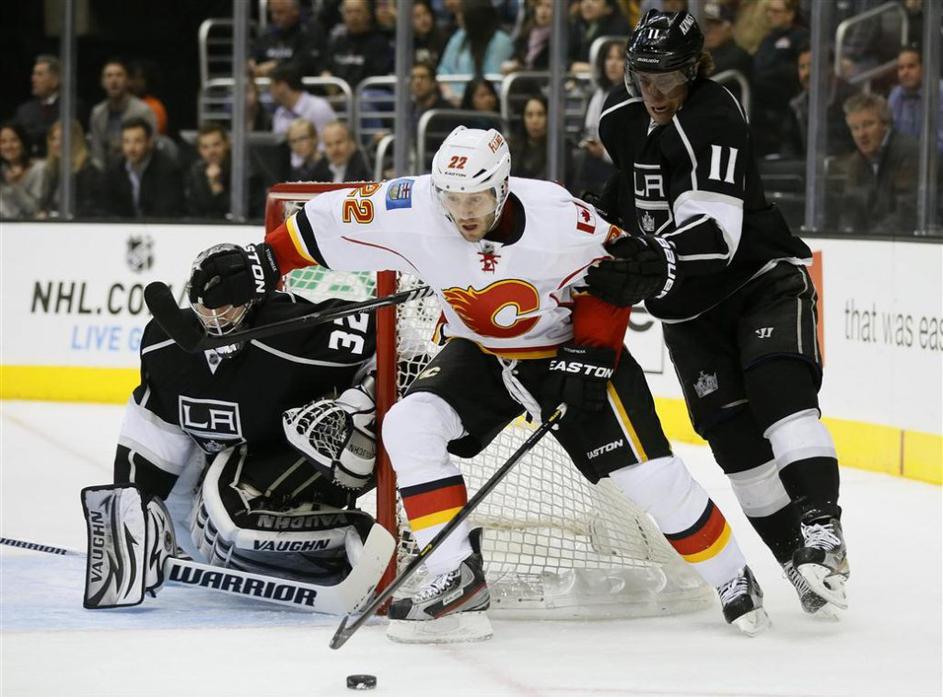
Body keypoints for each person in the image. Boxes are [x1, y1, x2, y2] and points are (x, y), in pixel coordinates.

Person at [187, 125, 775, 638]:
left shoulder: (558, 217)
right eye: (453, 199)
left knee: (650, 478)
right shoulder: (412, 206)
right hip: (483, 353)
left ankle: (732, 578)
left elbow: (619, 274)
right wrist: (262, 261)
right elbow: (325, 219)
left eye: (478, 198)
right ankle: (457, 575)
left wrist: (593, 352)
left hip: (567, 352)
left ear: (504, 186)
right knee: (409, 425)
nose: (464, 212)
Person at [588, 10, 849, 616]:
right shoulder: (619, 119)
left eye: (671, 80)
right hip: (688, 314)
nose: (656, 94)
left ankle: (821, 530)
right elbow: (622, 195)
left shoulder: (714, 113)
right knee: (734, 444)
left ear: (695, 71)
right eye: (644, 79)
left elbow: (718, 235)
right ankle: (796, 561)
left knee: (780, 400)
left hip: (759, 283)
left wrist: (650, 256)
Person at [112, 249, 379, 586]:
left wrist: (363, 399)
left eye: (225, 311)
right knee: (196, 531)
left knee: (226, 520)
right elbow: (153, 429)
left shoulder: (292, 332)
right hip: (232, 456)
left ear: (253, 303)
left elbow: (392, 337)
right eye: (204, 310)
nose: (214, 321)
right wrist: (128, 514)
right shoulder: (162, 343)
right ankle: (283, 556)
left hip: (309, 453)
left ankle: (353, 541)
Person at [829, 92, 919, 235]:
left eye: (868, 124)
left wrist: (871, 241)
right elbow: (849, 211)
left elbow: (907, 213)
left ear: (886, 124)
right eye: (855, 128)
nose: (861, 134)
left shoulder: (909, 153)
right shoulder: (857, 161)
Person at [780, 43, 857, 159]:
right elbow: (789, 147)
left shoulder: (853, 99)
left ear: (830, 67)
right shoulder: (796, 106)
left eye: (812, 65)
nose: (806, 73)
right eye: (802, 67)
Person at [751, 0, 808, 155]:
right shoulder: (767, 39)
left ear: (790, 14)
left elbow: (798, 68)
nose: (771, 15)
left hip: (786, 91)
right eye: (769, 11)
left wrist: (773, 71)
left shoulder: (800, 36)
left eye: (776, 11)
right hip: (762, 92)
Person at [104, 116, 183, 219]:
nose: (131, 148)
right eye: (126, 141)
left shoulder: (167, 170)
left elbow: (166, 212)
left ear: (149, 142)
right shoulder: (114, 169)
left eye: (138, 141)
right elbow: (108, 208)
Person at [438, 0, 514, 104]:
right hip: (453, 99)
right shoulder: (459, 37)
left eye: (462, 13)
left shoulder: (500, 41)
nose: (458, 17)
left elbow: (494, 82)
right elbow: (444, 70)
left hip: (484, 103)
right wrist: (449, 94)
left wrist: (468, 100)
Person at [89, 58, 158, 170]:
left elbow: (151, 148)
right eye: (109, 76)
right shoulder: (97, 113)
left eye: (119, 75)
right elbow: (97, 153)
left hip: (137, 170)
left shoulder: (143, 111)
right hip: (107, 174)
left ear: (128, 81)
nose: (114, 80)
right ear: (102, 82)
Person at [13, 54, 85, 158]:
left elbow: (64, 135)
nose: (33, 79)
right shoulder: (24, 110)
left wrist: (32, 131)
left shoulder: (72, 106)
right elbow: (16, 136)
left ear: (55, 80)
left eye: (39, 74)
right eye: (34, 74)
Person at [37, 119, 104, 219]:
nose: (56, 143)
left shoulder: (89, 170)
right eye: (53, 138)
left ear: (75, 140)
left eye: (61, 139)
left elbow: (92, 209)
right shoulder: (51, 169)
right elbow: (43, 204)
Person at [324, 0, 394, 89]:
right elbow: (327, 66)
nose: (353, 17)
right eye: (349, 12)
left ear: (368, 14)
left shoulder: (379, 43)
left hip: (366, 96)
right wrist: (326, 75)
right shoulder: (338, 42)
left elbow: (376, 75)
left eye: (358, 11)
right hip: (338, 96)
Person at [510, 95, 574, 190]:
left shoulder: (560, 148)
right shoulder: (514, 147)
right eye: (529, 115)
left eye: (540, 114)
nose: (535, 121)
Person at [250, 0, 327, 78]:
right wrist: (251, 63)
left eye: (280, 12)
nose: (274, 17)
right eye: (272, 12)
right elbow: (254, 54)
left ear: (295, 11)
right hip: (267, 86)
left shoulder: (310, 31)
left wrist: (276, 66)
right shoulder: (267, 33)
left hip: (299, 85)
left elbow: (305, 63)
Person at [888, 46, 943, 154]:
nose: (905, 72)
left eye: (911, 66)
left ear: (924, 68)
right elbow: (891, 136)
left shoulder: (940, 93)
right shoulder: (895, 95)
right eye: (901, 68)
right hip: (906, 161)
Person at [269, 63, 337, 143]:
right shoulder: (279, 113)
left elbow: (330, 143)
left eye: (272, 86)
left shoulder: (319, 108)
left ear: (282, 86)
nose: (270, 90)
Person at [701, 1, 752, 107]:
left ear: (729, 28)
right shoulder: (701, 53)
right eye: (706, 24)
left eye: (716, 24)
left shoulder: (739, 56)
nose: (708, 29)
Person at [184, 123, 232, 219]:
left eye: (216, 145)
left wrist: (216, 186)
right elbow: (192, 211)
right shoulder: (196, 173)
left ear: (227, 144)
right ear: (199, 150)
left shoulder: (242, 171)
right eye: (205, 147)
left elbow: (233, 213)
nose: (211, 152)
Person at [569, 0, 631, 74]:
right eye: (583, 0)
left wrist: (589, 68)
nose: (587, 4)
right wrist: (571, 65)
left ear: (608, 8)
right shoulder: (576, 25)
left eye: (594, 1)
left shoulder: (620, 28)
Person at [0, 121, 44, 220]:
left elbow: (34, 209)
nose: (8, 146)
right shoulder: (2, 170)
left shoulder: (38, 169)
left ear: (23, 142)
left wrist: (15, 185)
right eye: (3, 142)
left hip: (28, 229)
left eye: (14, 140)